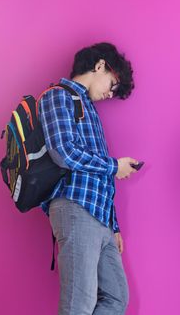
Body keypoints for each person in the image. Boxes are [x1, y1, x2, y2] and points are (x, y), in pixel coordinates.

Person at [39, 42, 138, 315]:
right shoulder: (58, 96)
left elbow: (99, 174)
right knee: (78, 305)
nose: (110, 92)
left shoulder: (88, 108)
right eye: (112, 83)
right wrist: (114, 165)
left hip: (100, 217)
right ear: (100, 65)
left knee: (117, 298)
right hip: (75, 208)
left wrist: (113, 224)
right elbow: (64, 152)